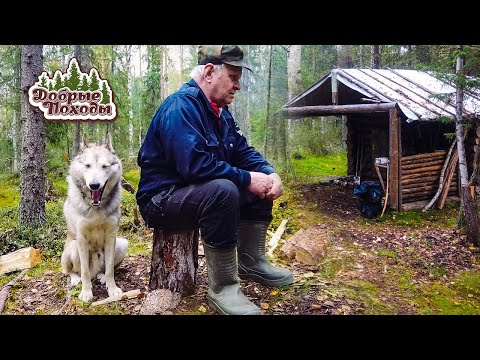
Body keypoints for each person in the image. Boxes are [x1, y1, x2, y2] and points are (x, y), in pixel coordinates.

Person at [136, 45, 294, 315]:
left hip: (190, 193)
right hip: (161, 199)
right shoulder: (181, 107)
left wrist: (270, 173)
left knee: (256, 183)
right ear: (209, 72)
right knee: (225, 189)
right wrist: (245, 179)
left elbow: (244, 153)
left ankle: (250, 261)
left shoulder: (221, 114)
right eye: (233, 77)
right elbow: (194, 166)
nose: (238, 86)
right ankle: (223, 289)